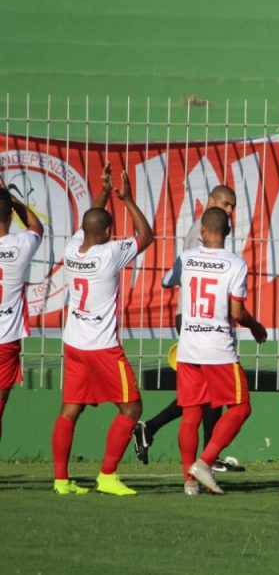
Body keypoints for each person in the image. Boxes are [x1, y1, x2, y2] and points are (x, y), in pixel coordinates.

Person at [52, 164, 155, 496]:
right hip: (103, 347)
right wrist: (125, 200)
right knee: (132, 408)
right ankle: (107, 476)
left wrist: (105, 193)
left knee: (70, 410)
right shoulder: (109, 254)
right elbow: (146, 236)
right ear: (109, 231)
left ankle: (61, 480)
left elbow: (92, 220)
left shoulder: (71, 249)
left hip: (73, 344)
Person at [133, 185, 244, 473]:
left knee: (205, 394)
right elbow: (182, 273)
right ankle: (205, 456)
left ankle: (198, 452)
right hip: (199, 318)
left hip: (197, 317)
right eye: (226, 204)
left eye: (233, 206)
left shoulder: (206, 228)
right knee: (208, 394)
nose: (230, 211)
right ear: (211, 202)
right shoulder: (203, 231)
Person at [162, 206, 267, 495]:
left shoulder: (187, 257)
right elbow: (237, 311)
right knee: (241, 407)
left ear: (203, 232)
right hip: (218, 349)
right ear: (228, 233)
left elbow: (166, 280)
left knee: (191, 414)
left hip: (189, 347)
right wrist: (257, 327)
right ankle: (205, 463)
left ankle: (189, 481)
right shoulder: (235, 263)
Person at [0, 176, 44, 442]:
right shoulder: (21, 246)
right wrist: (12, 198)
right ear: (8, 215)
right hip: (5, 338)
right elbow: (35, 226)